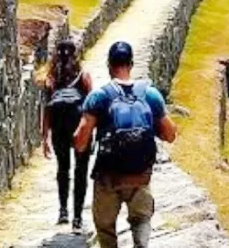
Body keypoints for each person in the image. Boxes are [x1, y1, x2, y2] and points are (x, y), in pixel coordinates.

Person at [73, 41, 178, 248]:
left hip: (108, 177)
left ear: (109, 65)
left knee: (105, 227)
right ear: (131, 64)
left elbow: (80, 139)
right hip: (140, 176)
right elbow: (171, 134)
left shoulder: (99, 97)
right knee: (141, 221)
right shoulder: (150, 95)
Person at [42, 39, 94, 232]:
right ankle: (78, 218)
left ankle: (63, 210)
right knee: (80, 171)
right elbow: (91, 106)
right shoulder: (83, 75)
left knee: (63, 168)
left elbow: (47, 109)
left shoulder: (52, 78)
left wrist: (44, 137)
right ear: (76, 55)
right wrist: (92, 132)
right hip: (79, 128)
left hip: (58, 128)